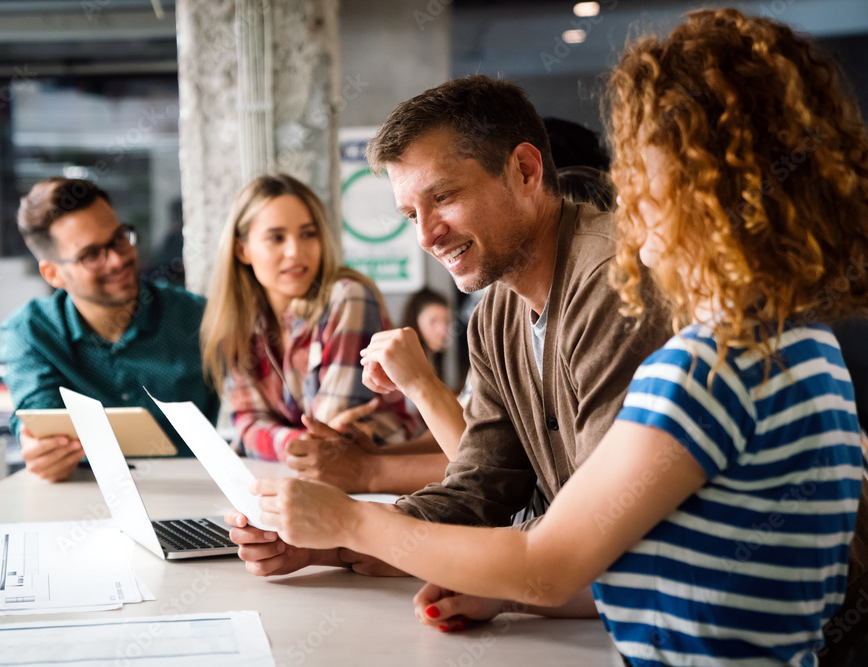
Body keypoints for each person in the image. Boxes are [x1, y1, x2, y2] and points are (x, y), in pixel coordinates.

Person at [248, 10, 868, 665]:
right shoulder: (803, 345)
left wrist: (351, 521)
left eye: (642, 173)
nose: (624, 195)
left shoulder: (696, 366)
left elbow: (551, 561)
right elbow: (626, 548)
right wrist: (354, 542)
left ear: (698, 194)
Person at [226, 74, 671, 573]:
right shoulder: (494, 315)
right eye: (411, 214)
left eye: (443, 198)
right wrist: (325, 543)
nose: (427, 236)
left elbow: (597, 532)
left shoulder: (612, 281)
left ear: (525, 171)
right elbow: (478, 494)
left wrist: (359, 527)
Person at [201, 174, 438, 492]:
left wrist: (275, 440)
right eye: (276, 238)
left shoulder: (347, 296)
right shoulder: (240, 322)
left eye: (308, 234)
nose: (295, 252)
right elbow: (246, 426)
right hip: (302, 482)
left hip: (384, 487)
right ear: (242, 250)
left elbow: (328, 434)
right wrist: (297, 444)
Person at [1, 178, 219, 482]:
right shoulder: (31, 331)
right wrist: (40, 448)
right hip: (84, 496)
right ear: (53, 273)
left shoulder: (199, 318)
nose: (118, 259)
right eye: (91, 255)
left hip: (194, 493)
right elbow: (40, 418)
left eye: (119, 238)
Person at [401, 288, 451, 381]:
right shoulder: (402, 362)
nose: (442, 329)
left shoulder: (431, 359)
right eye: (433, 321)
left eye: (446, 321)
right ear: (415, 322)